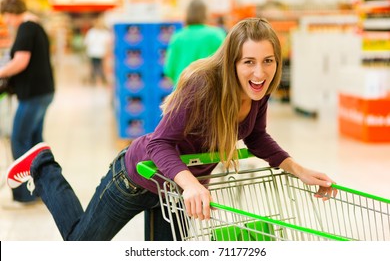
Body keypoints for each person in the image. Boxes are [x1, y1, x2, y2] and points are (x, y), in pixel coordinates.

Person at [5, 18, 337, 240]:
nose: (260, 71)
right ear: (233, 61)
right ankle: (43, 166)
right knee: (82, 247)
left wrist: (298, 169)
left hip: (175, 195)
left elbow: (256, 137)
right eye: (249, 61)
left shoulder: (257, 91)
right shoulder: (203, 86)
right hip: (137, 178)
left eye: (268, 60)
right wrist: (192, 185)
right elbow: (160, 143)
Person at [0, 0, 55, 206]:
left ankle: (23, 193)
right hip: (43, 91)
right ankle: (42, 188)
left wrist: (2, 71)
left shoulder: (25, 28)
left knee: (19, 140)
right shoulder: (36, 26)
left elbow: (21, 62)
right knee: (35, 142)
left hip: (33, 94)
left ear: (10, 13)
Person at [164, 0, 226, 86]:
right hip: (211, 90)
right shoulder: (216, 35)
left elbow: (169, 69)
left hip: (183, 90)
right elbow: (225, 65)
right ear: (205, 14)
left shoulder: (178, 37)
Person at [83, 17, 111, 85]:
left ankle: (97, 79)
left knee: (97, 66)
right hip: (95, 52)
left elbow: (86, 42)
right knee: (96, 66)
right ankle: (97, 79)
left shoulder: (93, 32)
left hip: (97, 52)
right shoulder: (93, 32)